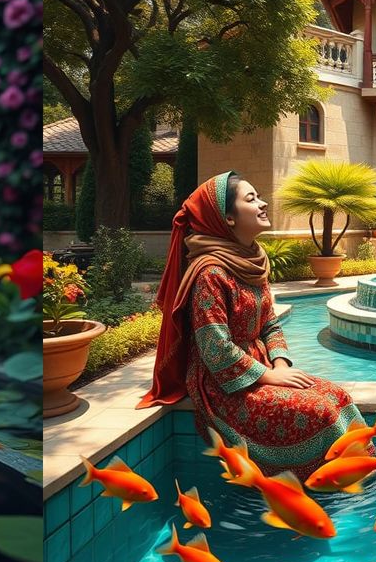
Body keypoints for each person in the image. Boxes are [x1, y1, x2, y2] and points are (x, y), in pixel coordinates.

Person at [139, 172, 364, 477]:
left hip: (264, 368)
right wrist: (267, 376)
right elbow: (214, 348)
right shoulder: (211, 273)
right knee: (317, 411)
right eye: (251, 199)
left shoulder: (252, 260)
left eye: (259, 197)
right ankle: (317, 489)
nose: (263, 203)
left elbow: (270, 322)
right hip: (224, 383)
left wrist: (281, 365)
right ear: (228, 218)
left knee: (338, 395)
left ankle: (358, 475)